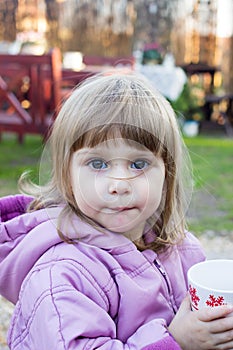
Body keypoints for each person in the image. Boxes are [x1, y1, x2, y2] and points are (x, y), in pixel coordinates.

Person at [0, 72, 233, 350]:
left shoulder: (181, 250)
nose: (119, 185)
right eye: (98, 164)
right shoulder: (63, 275)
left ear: (166, 175)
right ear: (67, 175)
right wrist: (176, 342)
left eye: (138, 164)